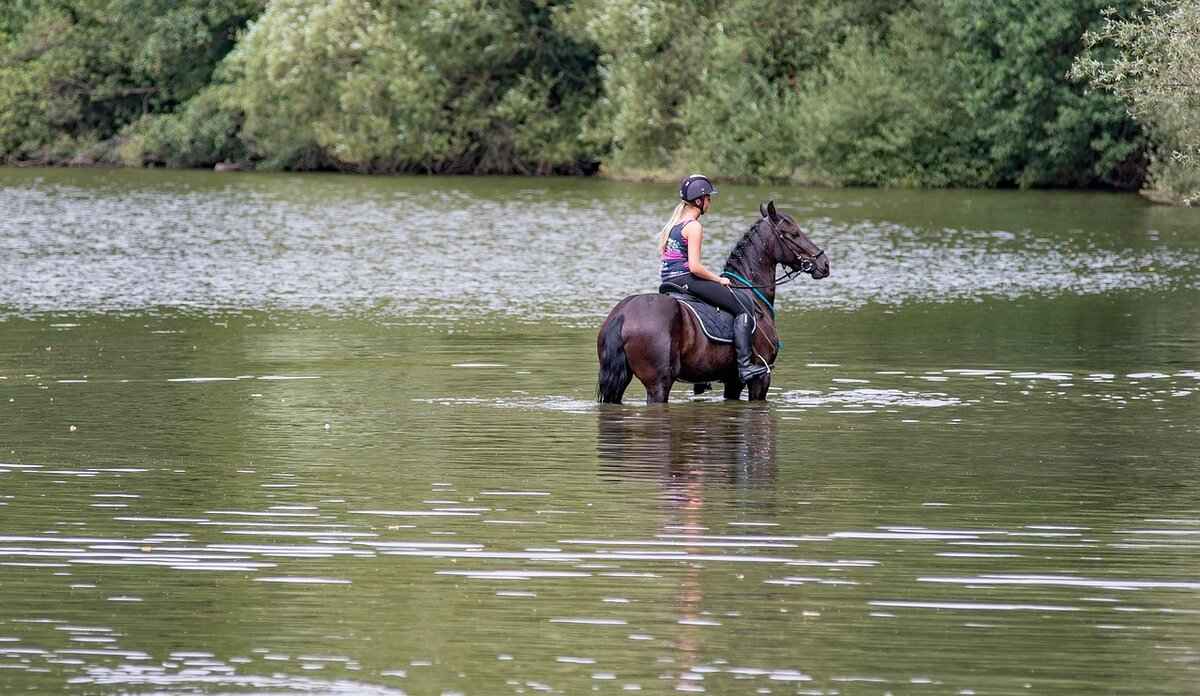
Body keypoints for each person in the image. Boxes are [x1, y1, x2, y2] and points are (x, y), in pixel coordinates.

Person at [658, 174, 769, 383]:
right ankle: (745, 366)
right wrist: (719, 280)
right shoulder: (694, 226)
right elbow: (694, 267)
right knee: (742, 306)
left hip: (669, 281)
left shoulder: (674, 225)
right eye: (708, 198)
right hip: (686, 280)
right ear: (699, 201)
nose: (710, 202)